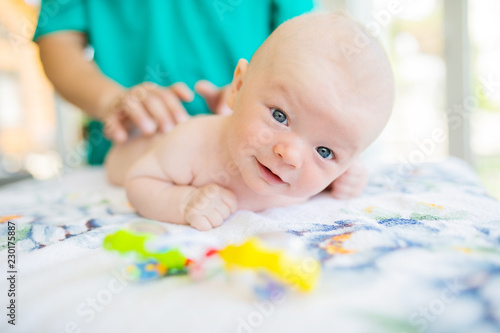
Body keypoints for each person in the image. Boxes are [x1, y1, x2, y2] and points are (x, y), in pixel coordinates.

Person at [105, 12, 394, 231]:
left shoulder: (312, 175)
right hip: (130, 151)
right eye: (279, 116)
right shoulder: (192, 144)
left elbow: (337, 173)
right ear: (238, 86)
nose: (291, 155)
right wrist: (183, 203)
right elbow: (139, 180)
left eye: (325, 151)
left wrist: (345, 180)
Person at [33, 0, 316, 165]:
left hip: (250, 158)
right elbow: (59, 40)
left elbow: (300, 42)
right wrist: (111, 100)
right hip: (126, 156)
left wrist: (258, 94)